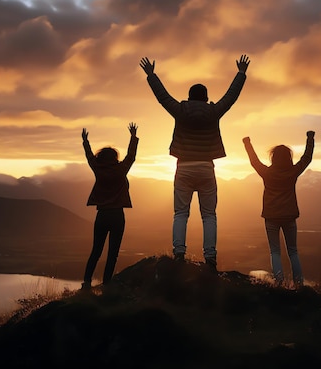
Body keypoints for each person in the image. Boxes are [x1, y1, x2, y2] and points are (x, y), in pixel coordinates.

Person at [140, 55, 250, 271]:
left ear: (189, 98)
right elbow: (230, 97)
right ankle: (210, 257)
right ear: (206, 97)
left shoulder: (180, 111)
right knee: (209, 215)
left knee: (181, 213)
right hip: (206, 168)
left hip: (184, 167)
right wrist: (241, 73)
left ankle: (179, 253)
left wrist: (151, 75)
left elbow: (162, 97)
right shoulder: (213, 111)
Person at [242, 131, 315, 287]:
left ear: (273, 158)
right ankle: (299, 284)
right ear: (289, 158)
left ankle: (279, 283)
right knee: (293, 251)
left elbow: (254, 161)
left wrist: (247, 143)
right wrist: (310, 139)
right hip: (289, 217)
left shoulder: (267, 173)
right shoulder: (293, 172)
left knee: (275, 251)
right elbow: (306, 158)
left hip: (271, 217)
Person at [81, 122, 139, 288]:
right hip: (118, 216)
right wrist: (133, 137)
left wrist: (85, 142)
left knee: (96, 251)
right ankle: (106, 284)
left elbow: (89, 156)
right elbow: (131, 156)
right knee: (113, 253)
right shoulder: (121, 170)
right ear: (114, 158)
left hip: (102, 215)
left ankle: (86, 282)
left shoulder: (98, 169)